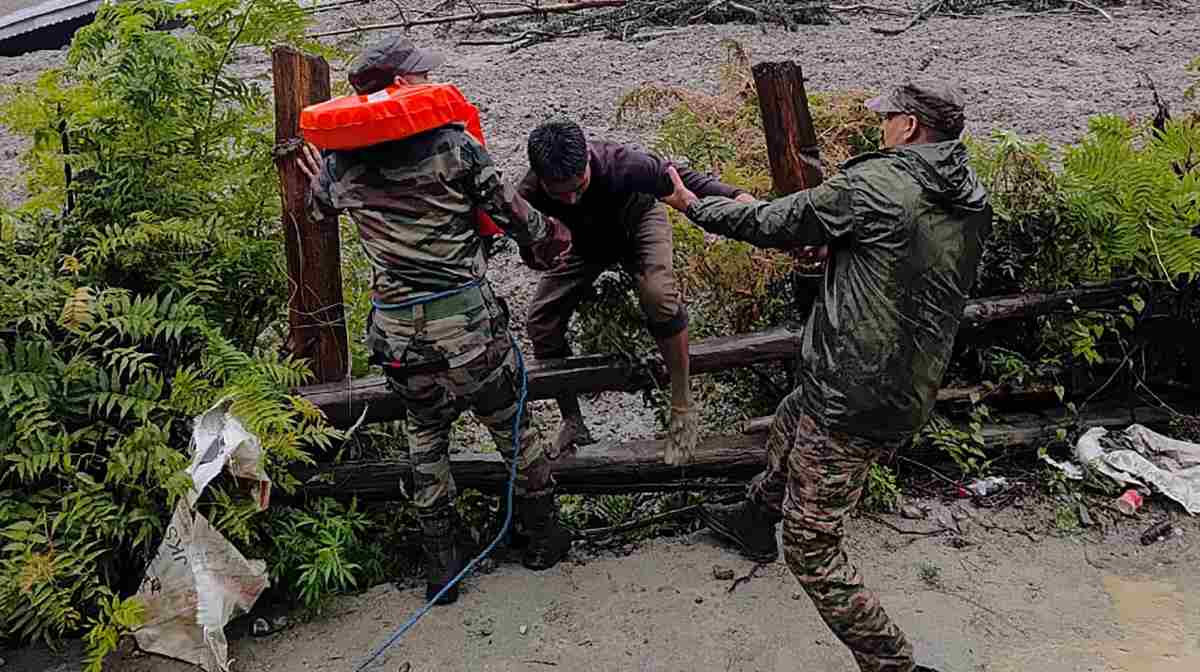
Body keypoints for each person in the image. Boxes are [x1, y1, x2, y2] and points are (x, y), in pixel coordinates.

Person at [660, 79, 993, 672]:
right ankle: (755, 518)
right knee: (791, 420)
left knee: (813, 549)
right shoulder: (969, 192)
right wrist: (842, 249)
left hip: (853, 392)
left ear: (911, 126)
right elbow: (903, 259)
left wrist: (693, 205)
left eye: (887, 118)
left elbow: (770, 222)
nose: (881, 127)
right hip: (906, 379)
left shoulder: (877, 184)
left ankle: (892, 663)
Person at [297, 36, 575, 606]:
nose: (431, 83)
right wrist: (557, 239)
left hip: (399, 337)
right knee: (513, 429)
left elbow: (319, 208)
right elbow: (516, 219)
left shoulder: (340, 162)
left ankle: (442, 568)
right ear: (399, 84)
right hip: (470, 332)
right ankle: (543, 537)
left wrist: (316, 176)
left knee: (425, 441)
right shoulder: (454, 145)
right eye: (421, 75)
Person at [517, 118, 756, 463]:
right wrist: (540, 254)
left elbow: (685, 181)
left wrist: (739, 198)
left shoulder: (623, 164)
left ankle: (682, 403)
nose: (570, 198)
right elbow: (525, 246)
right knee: (541, 320)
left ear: (587, 158)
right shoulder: (527, 193)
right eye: (559, 192)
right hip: (582, 246)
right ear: (540, 177)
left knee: (658, 294)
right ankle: (572, 419)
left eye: (578, 186)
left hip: (638, 224)